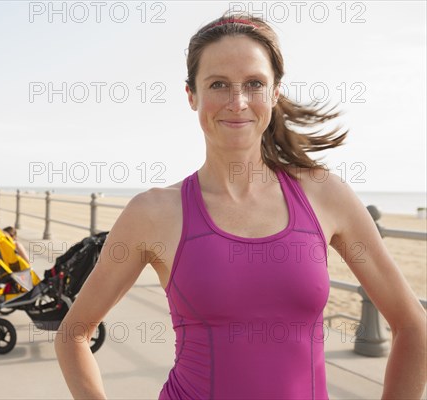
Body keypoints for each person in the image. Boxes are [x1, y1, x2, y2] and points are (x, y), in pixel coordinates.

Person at [54, 11, 427, 399]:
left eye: (254, 84)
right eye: (218, 84)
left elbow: (412, 325)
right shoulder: (153, 213)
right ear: (191, 95)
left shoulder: (324, 194)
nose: (237, 102)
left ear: (275, 93)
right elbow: (73, 334)